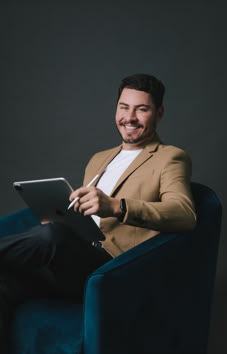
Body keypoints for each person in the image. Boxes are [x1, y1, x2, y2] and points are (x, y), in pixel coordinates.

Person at [0, 73, 196, 351]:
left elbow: (185, 213)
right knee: (6, 280)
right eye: (124, 107)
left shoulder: (170, 157)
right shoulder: (99, 159)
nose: (130, 117)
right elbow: (84, 215)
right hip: (71, 259)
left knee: (51, 235)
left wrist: (117, 206)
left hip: (110, 269)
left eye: (142, 109)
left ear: (159, 113)